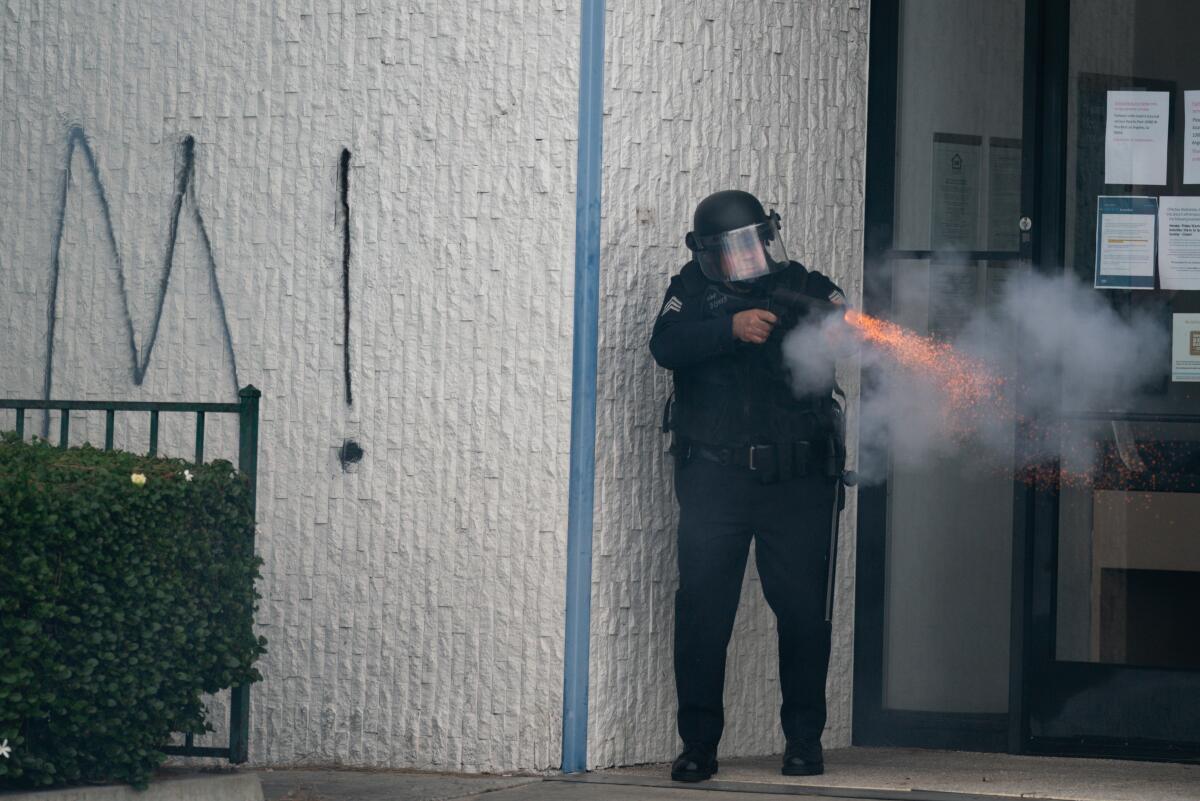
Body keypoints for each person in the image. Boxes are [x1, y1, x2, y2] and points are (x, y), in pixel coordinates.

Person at [649, 189, 848, 782]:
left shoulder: (804, 284)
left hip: (797, 483)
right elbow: (665, 345)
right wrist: (729, 328)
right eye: (735, 248)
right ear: (709, 253)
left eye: (758, 242)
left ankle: (804, 743)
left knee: (805, 616)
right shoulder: (690, 290)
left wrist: (832, 329)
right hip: (715, 480)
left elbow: (847, 330)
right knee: (704, 615)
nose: (751, 256)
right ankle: (699, 747)